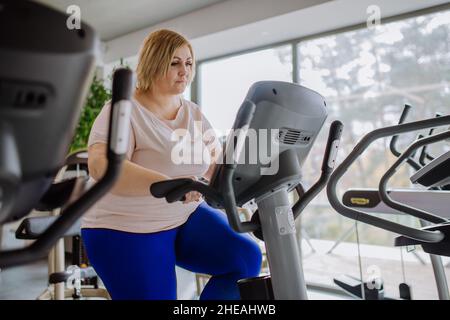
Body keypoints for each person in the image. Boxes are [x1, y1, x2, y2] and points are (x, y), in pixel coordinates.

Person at [80, 29, 262, 300]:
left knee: (245, 259)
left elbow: (218, 162)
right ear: (154, 62)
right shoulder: (122, 110)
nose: (184, 71)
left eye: (189, 63)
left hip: (184, 217)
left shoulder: (192, 112)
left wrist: (248, 185)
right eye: (175, 62)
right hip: (125, 227)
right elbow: (101, 165)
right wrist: (169, 184)